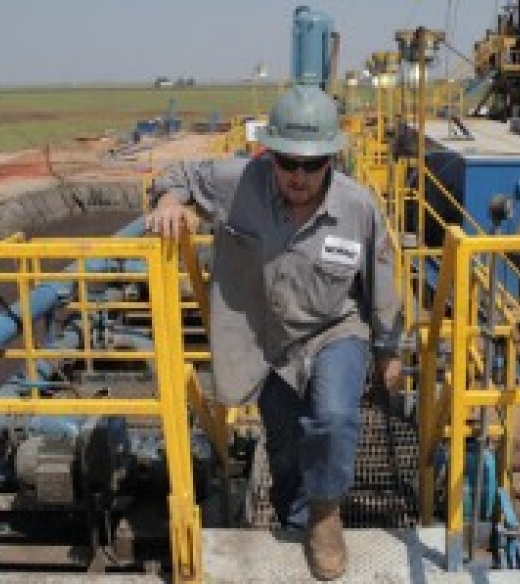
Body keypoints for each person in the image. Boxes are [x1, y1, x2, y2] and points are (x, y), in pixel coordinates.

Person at [146, 85, 403, 580]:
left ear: (332, 158)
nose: (299, 176)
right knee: (284, 446)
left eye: (313, 164)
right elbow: (178, 174)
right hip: (268, 340)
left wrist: (388, 349)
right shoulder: (238, 182)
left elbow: (382, 277)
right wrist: (169, 201)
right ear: (269, 154)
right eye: (288, 162)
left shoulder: (357, 207)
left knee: (331, 419)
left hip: (336, 329)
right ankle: (296, 518)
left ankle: (325, 517)